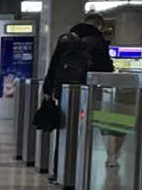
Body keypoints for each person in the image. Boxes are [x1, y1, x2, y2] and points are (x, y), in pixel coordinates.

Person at [43, 13, 116, 167]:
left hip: (64, 91)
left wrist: (48, 89)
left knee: (64, 130)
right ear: (99, 26)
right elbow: (105, 69)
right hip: (88, 92)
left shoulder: (65, 39)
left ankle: (60, 169)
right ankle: (81, 170)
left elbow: (54, 64)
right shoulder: (97, 41)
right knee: (85, 131)